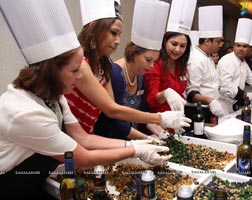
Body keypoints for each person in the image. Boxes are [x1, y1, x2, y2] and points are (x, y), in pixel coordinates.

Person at [0, 1, 171, 198]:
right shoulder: (26, 112)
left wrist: (136, 144)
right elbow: (82, 157)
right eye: (74, 71)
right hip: (11, 182)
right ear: (51, 72)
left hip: (39, 173)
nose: (80, 76)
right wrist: (134, 149)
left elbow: (82, 137)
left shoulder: (55, 97)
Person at [65, 0, 191, 135]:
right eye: (114, 33)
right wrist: (158, 119)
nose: (118, 40)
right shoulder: (82, 65)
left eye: (119, 34)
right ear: (93, 27)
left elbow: (114, 108)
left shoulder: (104, 65)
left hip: (88, 137)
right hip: (76, 139)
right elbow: (112, 110)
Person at [94, 0, 171, 140]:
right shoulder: (116, 73)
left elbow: (143, 111)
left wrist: (160, 132)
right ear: (134, 53)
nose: (151, 66)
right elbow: (112, 118)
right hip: (111, 140)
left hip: (131, 141)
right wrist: (145, 138)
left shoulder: (140, 76)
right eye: (148, 60)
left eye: (154, 61)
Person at [144, 0, 196, 118]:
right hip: (157, 122)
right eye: (174, 44)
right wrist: (166, 94)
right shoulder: (155, 64)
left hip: (177, 120)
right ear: (165, 42)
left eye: (182, 46)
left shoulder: (181, 65)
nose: (178, 49)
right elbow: (151, 100)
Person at [218, 18, 252, 115]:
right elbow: (227, 86)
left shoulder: (244, 63)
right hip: (222, 104)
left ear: (248, 48)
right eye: (238, 45)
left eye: (244, 46)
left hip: (234, 104)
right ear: (234, 46)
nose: (241, 49)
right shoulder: (227, 60)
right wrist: (248, 95)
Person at [185, 5, 225, 127]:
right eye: (218, 41)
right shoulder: (196, 59)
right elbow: (191, 93)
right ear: (207, 41)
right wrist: (210, 101)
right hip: (197, 111)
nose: (220, 45)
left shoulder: (208, 57)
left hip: (209, 109)